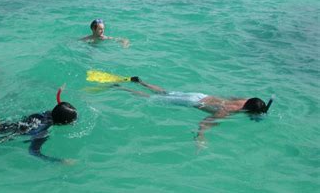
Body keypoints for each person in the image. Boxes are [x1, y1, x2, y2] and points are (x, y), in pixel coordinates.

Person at [117, 77, 274, 147]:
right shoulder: (228, 111)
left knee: (165, 93)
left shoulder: (245, 100)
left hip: (201, 95)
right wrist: (201, 137)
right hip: (193, 102)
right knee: (152, 99)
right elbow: (205, 122)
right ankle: (122, 88)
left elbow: (232, 97)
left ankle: (140, 81)